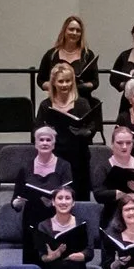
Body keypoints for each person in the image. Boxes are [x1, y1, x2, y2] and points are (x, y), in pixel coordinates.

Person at [36, 60, 103, 200]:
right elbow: (36, 129)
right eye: (61, 81)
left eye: (68, 81)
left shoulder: (81, 103)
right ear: (54, 83)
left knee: (79, 196)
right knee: (56, 195)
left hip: (78, 156)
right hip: (55, 155)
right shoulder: (46, 105)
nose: (65, 85)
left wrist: (85, 132)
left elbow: (92, 126)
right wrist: (46, 132)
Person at [14, 124, 74, 235]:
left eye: (48, 140)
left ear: (53, 144)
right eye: (41, 140)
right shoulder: (25, 167)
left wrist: (53, 201)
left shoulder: (64, 166)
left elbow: (69, 195)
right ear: (36, 144)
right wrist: (18, 202)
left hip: (56, 217)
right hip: (31, 217)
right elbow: (15, 200)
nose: (45, 143)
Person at [38, 15, 100, 101]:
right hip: (57, 101)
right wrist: (56, 87)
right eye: (71, 29)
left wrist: (77, 87)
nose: (74, 33)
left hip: (82, 101)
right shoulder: (51, 54)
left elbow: (95, 82)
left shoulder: (88, 55)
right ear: (64, 31)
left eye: (78, 31)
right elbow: (40, 80)